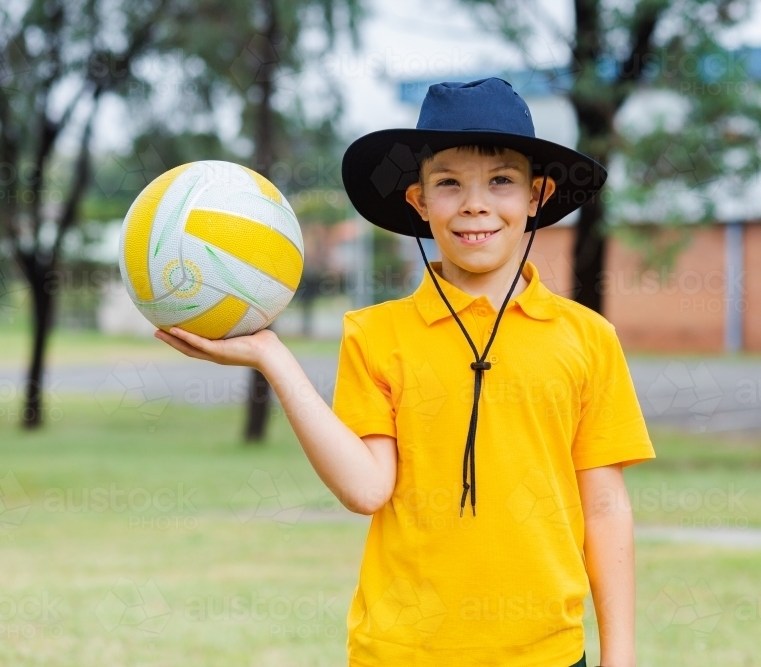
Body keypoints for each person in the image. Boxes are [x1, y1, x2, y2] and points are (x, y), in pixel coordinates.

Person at [155, 76, 655, 667]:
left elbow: (605, 507)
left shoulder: (588, 339)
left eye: (501, 181)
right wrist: (274, 359)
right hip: (402, 650)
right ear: (418, 202)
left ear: (536, 197)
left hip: (545, 653)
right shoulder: (374, 335)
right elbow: (367, 489)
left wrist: (618, 657)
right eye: (449, 184)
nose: (475, 203)